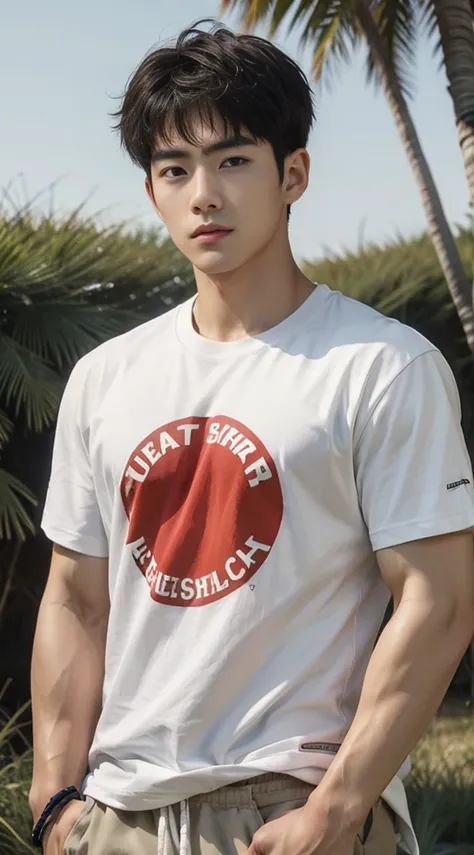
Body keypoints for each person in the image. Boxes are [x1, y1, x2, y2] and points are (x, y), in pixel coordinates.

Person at [29, 20, 474, 855]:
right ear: (154, 190)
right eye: (174, 168)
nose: (204, 193)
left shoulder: (381, 366)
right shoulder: (104, 378)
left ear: (292, 173)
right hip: (121, 816)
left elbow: (439, 602)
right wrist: (56, 798)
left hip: (296, 803)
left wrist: (338, 811)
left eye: (233, 160)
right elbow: (76, 598)